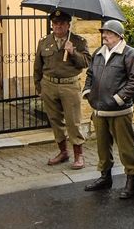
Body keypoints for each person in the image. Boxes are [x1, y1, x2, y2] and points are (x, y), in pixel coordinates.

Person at [83, 19, 134, 195]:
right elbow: (90, 74)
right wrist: (87, 92)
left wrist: (119, 98)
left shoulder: (130, 54)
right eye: (103, 32)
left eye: (109, 33)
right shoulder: (98, 53)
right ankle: (105, 177)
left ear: (119, 36)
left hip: (120, 111)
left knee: (126, 148)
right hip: (99, 109)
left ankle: (131, 178)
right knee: (102, 146)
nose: (104, 36)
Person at [34, 10, 92, 170]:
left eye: (61, 23)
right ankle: (63, 152)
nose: (58, 26)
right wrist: (38, 87)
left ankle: (78, 155)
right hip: (49, 85)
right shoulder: (44, 41)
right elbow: (38, 66)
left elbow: (86, 62)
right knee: (55, 121)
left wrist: (73, 52)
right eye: (55, 23)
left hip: (69, 86)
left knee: (73, 122)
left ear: (68, 25)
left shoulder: (78, 41)